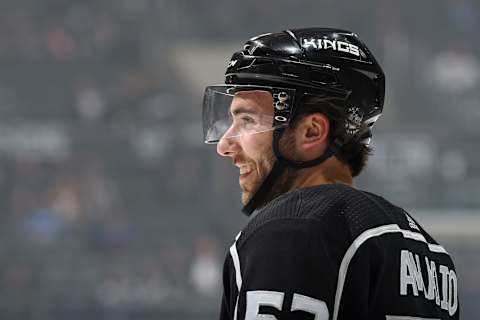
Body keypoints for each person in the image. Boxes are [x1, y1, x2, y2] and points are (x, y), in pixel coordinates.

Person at [202, 28, 459, 320]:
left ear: (311, 132)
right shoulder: (430, 252)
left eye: (247, 120)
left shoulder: (293, 229)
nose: (224, 144)